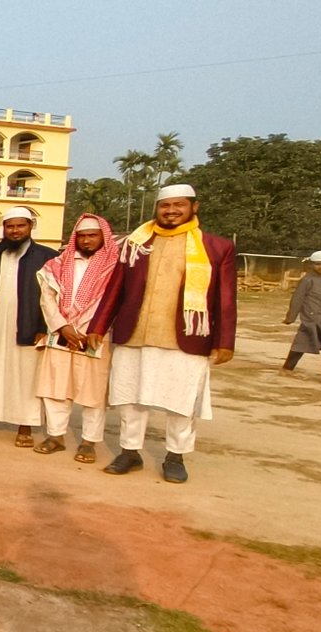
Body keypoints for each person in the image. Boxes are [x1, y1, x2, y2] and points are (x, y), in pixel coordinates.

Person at [89, 184, 237, 483]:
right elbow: (116, 288)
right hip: (135, 334)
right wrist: (98, 326)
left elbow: (226, 298)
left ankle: (175, 457)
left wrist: (225, 341)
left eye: (179, 205)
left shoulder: (217, 247)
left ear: (194, 207)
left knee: (181, 402)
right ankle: (130, 452)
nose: (171, 211)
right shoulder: (136, 244)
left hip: (186, 339)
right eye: (165, 206)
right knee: (129, 398)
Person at [0, 207, 58, 446]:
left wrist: (43, 327)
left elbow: (52, 296)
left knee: (25, 376)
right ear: (3, 228)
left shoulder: (47, 256)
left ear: (30, 226)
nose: (15, 231)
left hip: (28, 325)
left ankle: (24, 427)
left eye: (20, 226)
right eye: (10, 226)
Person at [33, 214, 118, 461]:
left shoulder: (115, 267)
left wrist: (93, 328)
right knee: (55, 388)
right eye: (82, 236)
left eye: (92, 236)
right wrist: (63, 327)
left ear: (103, 237)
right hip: (61, 333)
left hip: (96, 336)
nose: (87, 240)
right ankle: (55, 436)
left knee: (93, 393)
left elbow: (114, 302)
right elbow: (47, 298)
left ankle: (89, 442)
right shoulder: (57, 264)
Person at [283, 250, 321, 375]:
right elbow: (297, 299)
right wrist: (290, 317)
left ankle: (287, 368)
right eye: (317, 264)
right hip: (310, 318)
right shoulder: (307, 280)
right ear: (312, 264)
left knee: (303, 344)